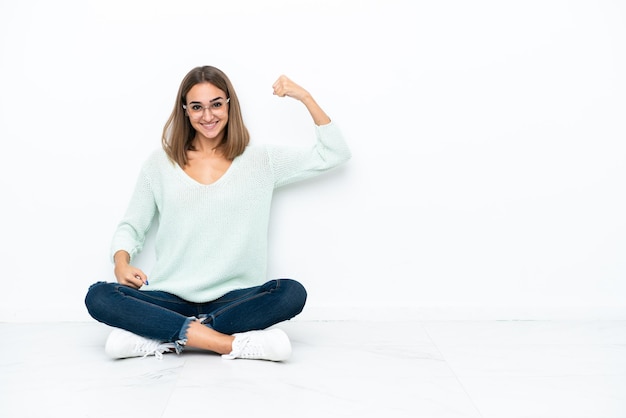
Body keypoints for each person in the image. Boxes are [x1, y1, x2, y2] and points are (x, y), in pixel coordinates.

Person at [84, 65, 351, 361]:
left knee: (291, 293)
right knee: (99, 296)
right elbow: (132, 226)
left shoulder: (262, 161)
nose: (208, 116)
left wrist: (305, 96)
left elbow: (334, 153)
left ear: (229, 105)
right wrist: (121, 262)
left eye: (216, 105)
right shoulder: (159, 165)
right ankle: (226, 343)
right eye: (197, 107)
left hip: (234, 300)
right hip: (170, 297)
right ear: (185, 110)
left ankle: (165, 336)